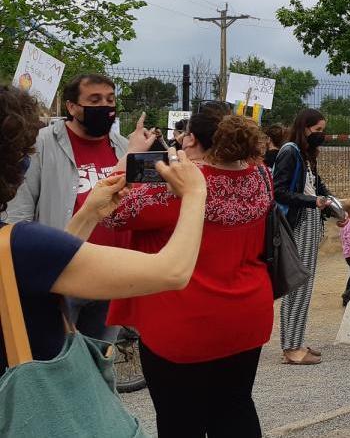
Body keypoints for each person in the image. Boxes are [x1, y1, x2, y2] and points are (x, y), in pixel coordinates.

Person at [0, 87, 207, 382]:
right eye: (24, 151)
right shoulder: (20, 243)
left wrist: (89, 214)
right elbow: (173, 272)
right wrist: (196, 192)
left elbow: (50, 259)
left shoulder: (22, 245)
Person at [102, 102, 275, 436]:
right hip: (246, 313)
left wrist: (131, 152)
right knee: (235, 407)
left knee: (180, 419)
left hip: (184, 317)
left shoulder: (177, 186)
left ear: (191, 139)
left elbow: (111, 209)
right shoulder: (261, 177)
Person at [5, 72, 156, 340]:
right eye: (94, 100)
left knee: (100, 357)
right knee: (55, 359)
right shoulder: (41, 144)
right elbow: (19, 211)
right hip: (61, 273)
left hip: (112, 272)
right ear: (72, 106)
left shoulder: (124, 147)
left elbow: (143, 200)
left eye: (110, 100)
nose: (105, 107)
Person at [272, 108, 334, 366]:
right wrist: (314, 201)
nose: (321, 135)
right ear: (305, 127)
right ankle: (292, 347)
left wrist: (330, 201)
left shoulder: (305, 153)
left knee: (302, 284)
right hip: (299, 220)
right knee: (299, 283)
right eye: (317, 130)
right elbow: (280, 191)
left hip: (308, 218)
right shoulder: (290, 152)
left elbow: (315, 184)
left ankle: (295, 340)